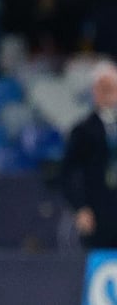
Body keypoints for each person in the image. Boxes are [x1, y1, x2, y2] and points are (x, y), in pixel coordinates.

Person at [60, 59, 117, 249]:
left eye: (112, 87)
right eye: (103, 88)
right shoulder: (83, 130)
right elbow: (69, 172)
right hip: (98, 212)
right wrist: (80, 207)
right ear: (94, 91)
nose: (108, 93)